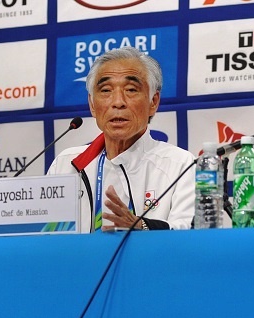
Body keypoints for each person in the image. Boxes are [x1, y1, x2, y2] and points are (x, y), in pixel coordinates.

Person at [48, 46, 195, 232]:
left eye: (131, 89)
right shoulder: (65, 165)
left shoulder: (181, 165)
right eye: (106, 90)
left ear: (153, 102)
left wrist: (142, 226)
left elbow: (190, 235)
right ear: (92, 105)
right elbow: (48, 237)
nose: (118, 102)